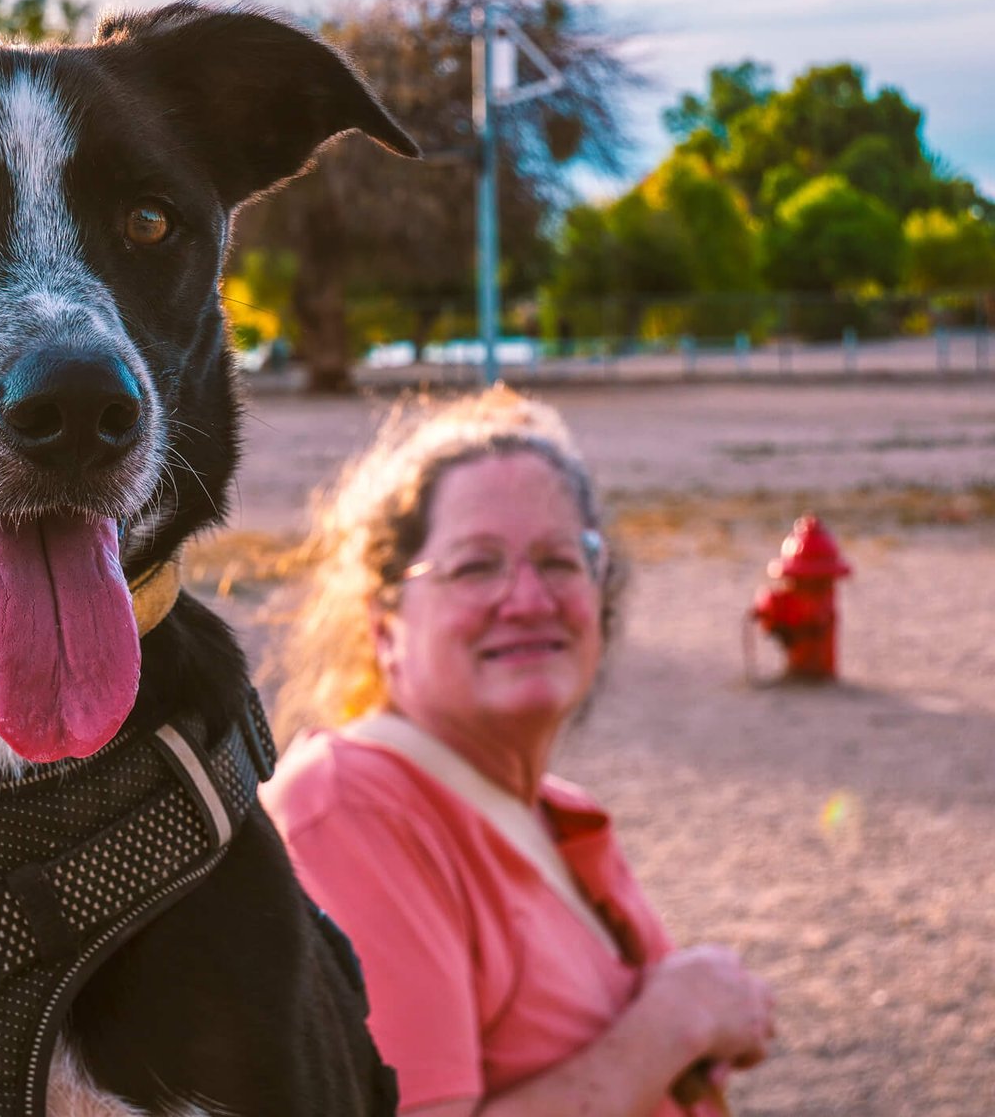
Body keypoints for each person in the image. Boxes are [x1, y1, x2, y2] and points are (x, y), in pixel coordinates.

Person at [260, 387, 774, 1117]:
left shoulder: (556, 813)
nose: (529, 599)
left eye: (561, 561)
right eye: (476, 567)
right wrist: (673, 1027)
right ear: (385, 626)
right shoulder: (349, 810)